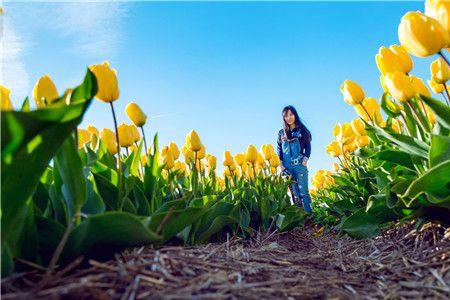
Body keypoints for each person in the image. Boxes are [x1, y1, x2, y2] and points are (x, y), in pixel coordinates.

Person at [277, 105, 312, 213]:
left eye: (291, 114)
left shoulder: (302, 130)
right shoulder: (281, 133)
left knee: (303, 191)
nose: (289, 118)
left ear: (295, 115)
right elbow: (279, 149)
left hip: (299, 165)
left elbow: (308, 145)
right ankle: (299, 218)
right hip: (287, 167)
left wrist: (306, 158)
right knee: (294, 193)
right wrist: (281, 165)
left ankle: (309, 215)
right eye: (286, 116)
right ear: (284, 118)